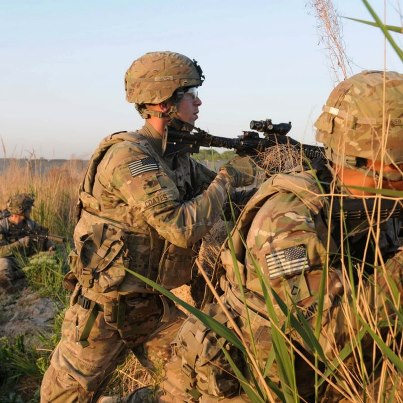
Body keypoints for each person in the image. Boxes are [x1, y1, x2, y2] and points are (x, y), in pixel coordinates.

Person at [163, 70, 403, 402]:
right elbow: (318, 339)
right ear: (387, 154)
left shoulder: (376, 201)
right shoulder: (289, 217)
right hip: (257, 386)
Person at [40, 51, 256, 402]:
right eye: (190, 94)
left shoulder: (175, 157)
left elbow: (225, 201)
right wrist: (228, 177)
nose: (198, 101)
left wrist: (279, 182)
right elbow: (181, 227)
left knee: (208, 377)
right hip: (103, 312)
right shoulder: (130, 157)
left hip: (153, 309)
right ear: (163, 101)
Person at [0, 193, 53, 293]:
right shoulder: (3, 226)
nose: (31, 211)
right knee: (3, 263)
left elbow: (44, 236)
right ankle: (7, 287)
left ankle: (17, 275)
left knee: (49, 259)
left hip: (27, 259)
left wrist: (50, 246)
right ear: (21, 210)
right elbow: (1, 251)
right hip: (11, 260)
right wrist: (20, 243)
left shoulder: (31, 224)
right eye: (29, 208)